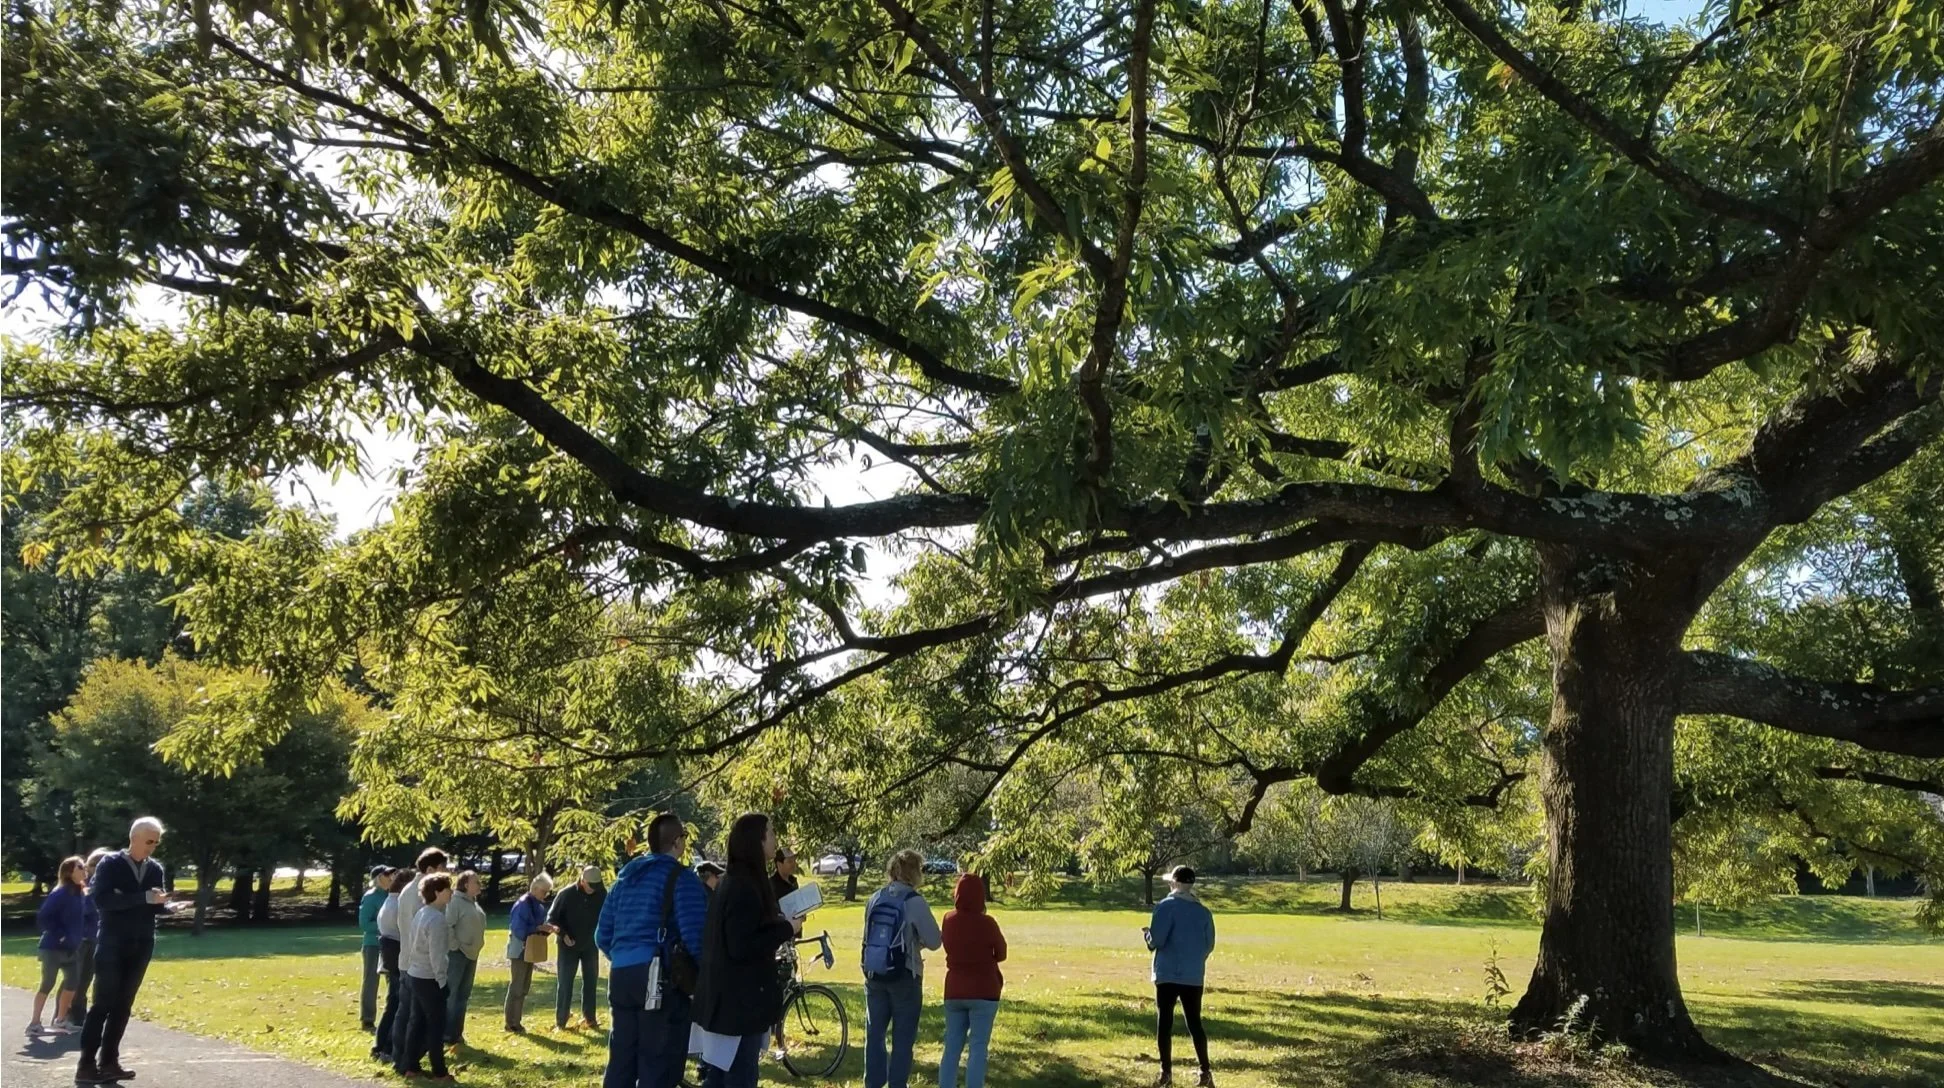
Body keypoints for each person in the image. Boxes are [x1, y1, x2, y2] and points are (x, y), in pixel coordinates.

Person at [596, 813, 707, 1088]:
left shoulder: (624, 880)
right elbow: (695, 936)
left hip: (621, 974)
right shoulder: (681, 878)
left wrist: (626, 955)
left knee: (621, 1059)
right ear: (677, 842)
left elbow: (602, 935)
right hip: (659, 977)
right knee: (659, 1061)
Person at [693, 813, 798, 1088]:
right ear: (756, 840)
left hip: (732, 1000)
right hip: (738, 1003)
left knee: (720, 1076)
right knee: (738, 1075)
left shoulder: (737, 881)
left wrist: (779, 922)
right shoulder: (742, 885)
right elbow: (742, 945)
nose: (775, 839)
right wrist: (786, 928)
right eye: (770, 832)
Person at [76, 817, 171, 1086]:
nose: (153, 847)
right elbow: (103, 900)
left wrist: (165, 906)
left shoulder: (155, 869)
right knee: (103, 1004)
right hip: (112, 943)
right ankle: (86, 1065)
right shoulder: (111, 864)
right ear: (134, 838)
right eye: (149, 841)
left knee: (123, 1005)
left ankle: (109, 1062)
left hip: (142, 943)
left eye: (156, 842)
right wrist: (143, 898)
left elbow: (153, 905)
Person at [860, 849, 942, 1088]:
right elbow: (935, 941)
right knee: (903, 1039)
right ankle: (897, 1084)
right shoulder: (914, 901)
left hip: (875, 972)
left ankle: (873, 1083)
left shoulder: (875, 898)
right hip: (905, 974)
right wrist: (917, 942)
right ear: (914, 872)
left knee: (874, 1035)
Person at [1145, 865, 1217, 1088]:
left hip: (1167, 973)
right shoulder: (1203, 912)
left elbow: (1157, 940)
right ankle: (1205, 1071)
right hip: (1193, 975)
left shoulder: (1165, 907)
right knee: (1195, 1023)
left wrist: (1147, 936)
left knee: (1164, 1023)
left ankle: (1166, 1073)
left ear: (1175, 883)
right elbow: (1209, 944)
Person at [939, 873, 1007, 1088]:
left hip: (954, 989)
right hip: (984, 990)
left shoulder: (948, 920)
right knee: (978, 1047)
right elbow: (1002, 953)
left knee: (952, 1046)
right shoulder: (987, 923)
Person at [393, 847, 451, 1064]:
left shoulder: (411, 890)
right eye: (442, 868)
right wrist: (440, 978)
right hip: (417, 964)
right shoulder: (419, 895)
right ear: (430, 869)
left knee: (411, 1015)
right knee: (412, 1016)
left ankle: (407, 1060)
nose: (446, 872)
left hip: (412, 962)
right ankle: (403, 1059)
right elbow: (423, 935)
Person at [31, 856, 91, 1036]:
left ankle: (61, 1020)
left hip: (71, 948)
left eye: (84, 866)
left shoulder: (80, 893)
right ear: (69, 872)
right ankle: (34, 1024)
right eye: (80, 867)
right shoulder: (60, 893)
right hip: (53, 948)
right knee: (47, 983)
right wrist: (61, 936)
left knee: (72, 983)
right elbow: (44, 917)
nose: (84, 869)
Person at [550, 864, 606, 1031]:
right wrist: (563, 934)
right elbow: (552, 919)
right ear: (582, 880)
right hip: (568, 945)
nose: (593, 889)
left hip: (590, 945)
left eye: (596, 886)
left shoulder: (602, 894)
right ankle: (561, 1021)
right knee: (565, 983)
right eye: (591, 885)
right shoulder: (566, 894)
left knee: (591, 981)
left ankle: (590, 1019)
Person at [503, 873, 555, 1033]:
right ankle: (511, 1022)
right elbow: (518, 929)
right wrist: (538, 928)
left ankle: (516, 1021)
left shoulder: (537, 905)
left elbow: (536, 927)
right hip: (519, 949)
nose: (545, 895)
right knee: (517, 986)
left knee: (524, 987)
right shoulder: (523, 904)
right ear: (536, 888)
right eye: (544, 891)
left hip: (530, 949)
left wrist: (546, 929)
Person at [66, 848, 112, 1031]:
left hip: (94, 937)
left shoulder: (102, 885)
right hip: (80, 938)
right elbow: (81, 910)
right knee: (74, 979)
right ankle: (64, 1015)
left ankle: (78, 1016)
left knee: (85, 979)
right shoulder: (82, 886)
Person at [374, 868, 413, 1062]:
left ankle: (380, 1045)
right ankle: (388, 1047)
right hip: (398, 959)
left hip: (391, 959)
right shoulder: (398, 905)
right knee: (398, 1006)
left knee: (393, 1004)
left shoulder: (389, 901)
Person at [445, 870, 487, 1046]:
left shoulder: (473, 903)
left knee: (463, 994)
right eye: (476, 882)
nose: (479, 884)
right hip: (458, 955)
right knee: (452, 994)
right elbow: (447, 925)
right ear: (465, 884)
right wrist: (455, 946)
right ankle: (447, 1034)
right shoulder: (455, 902)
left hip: (472, 955)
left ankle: (457, 1033)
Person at [767, 847, 801, 1060]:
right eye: (788, 861)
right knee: (778, 981)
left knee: (790, 976)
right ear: (778, 863)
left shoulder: (794, 882)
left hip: (792, 935)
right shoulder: (771, 885)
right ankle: (774, 1029)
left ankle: (777, 1025)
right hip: (777, 938)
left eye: (793, 860)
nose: (792, 864)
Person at [359, 865, 396, 1031]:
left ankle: (392, 1017)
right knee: (371, 981)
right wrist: (385, 925)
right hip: (373, 944)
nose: (391, 877)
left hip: (391, 944)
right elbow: (365, 924)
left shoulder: (393, 896)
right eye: (387, 874)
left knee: (393, 981)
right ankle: (367, 1019)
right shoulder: (370, 897)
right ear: (378, 878)